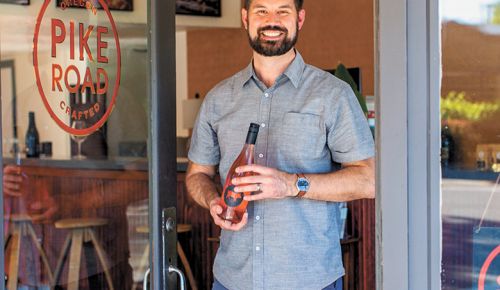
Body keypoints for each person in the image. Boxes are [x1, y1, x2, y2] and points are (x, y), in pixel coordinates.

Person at [185, 0, 375, 289]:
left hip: (309, 280)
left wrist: (290, 184)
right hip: (233, 279)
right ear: (245, 18)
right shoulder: (218, 99)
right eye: (261, 10)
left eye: (282, 11)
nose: (271, 20)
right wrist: (213, 201)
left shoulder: (333, 95)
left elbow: (368, 180)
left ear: (299, 19)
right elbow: (197, 174)